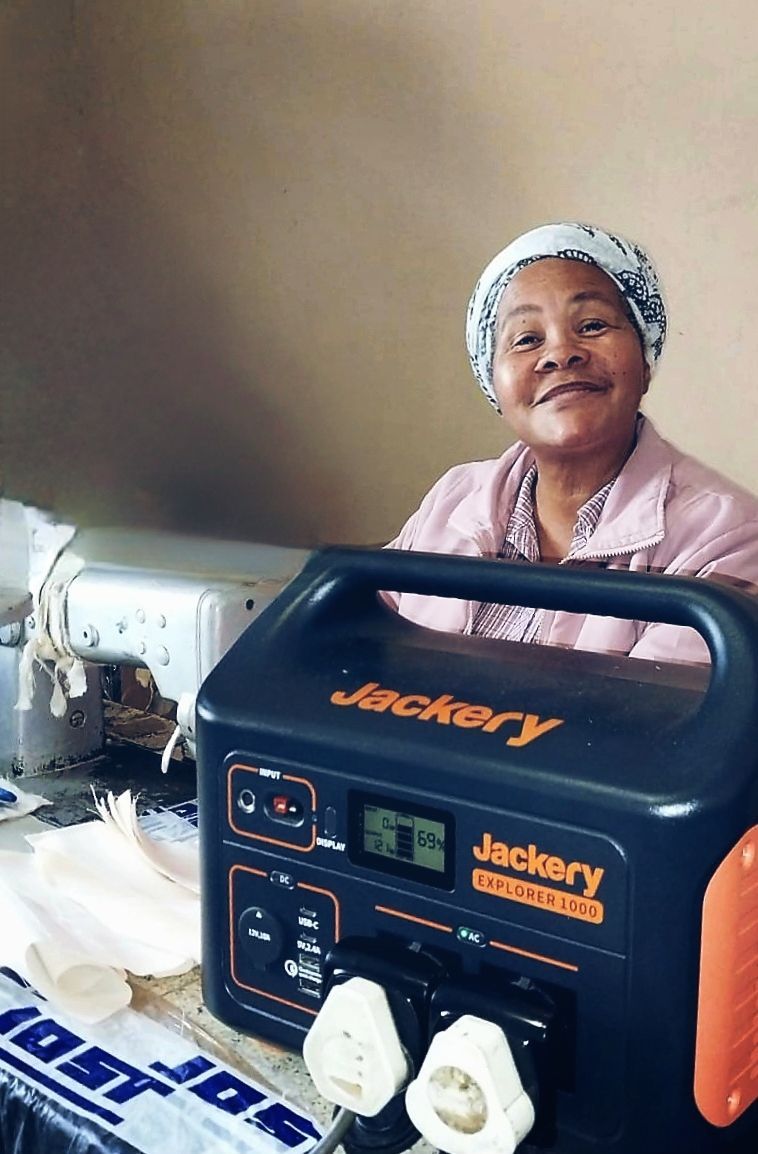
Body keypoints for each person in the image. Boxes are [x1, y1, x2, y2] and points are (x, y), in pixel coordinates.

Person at [385, 222, 758, 664]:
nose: (561, 353)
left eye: (593, 325)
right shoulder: (453, 497)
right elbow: (354, 639)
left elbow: (653, 708)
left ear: (644, 362)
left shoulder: (727, 536)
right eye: (527, 339)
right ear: (495, 385)